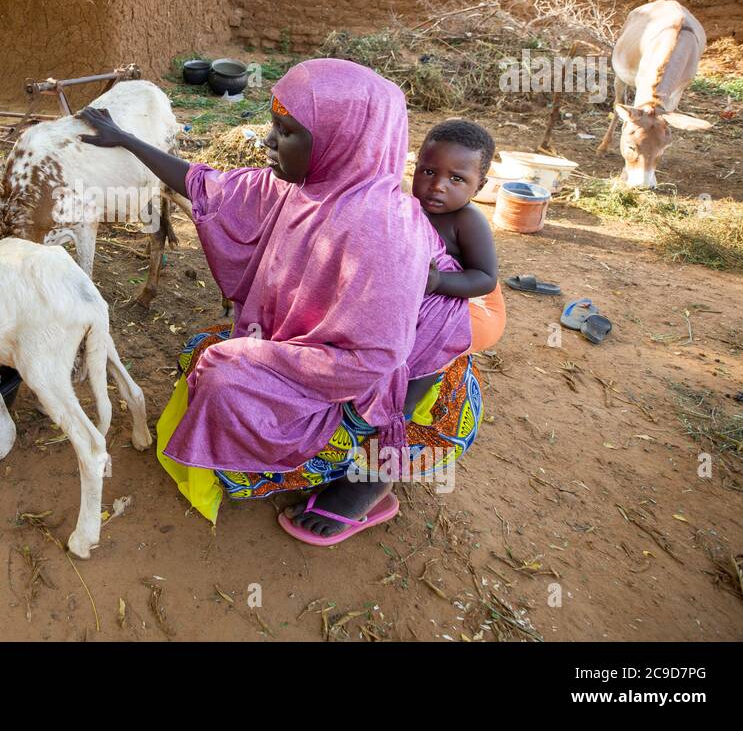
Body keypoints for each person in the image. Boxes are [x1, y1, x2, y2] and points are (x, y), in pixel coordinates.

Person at [79, 59, 480, 544]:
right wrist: (127, 139)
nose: (269, 141)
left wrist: (252, 357)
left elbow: (373, 358)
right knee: (203, 355)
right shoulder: (311, 186)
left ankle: (365, 483)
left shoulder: (384, 233)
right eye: (274, 125)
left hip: (383, 383)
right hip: (325, 356)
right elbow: (209, 187)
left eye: (286, 131)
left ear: (343, 138)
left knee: (223, 376)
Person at [411, 119, 506, 355]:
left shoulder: (467, 220)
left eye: (456, 179)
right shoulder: (409, 208)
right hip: (435, 298)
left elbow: (485, 278)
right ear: (415, 167)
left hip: (476, 307)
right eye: (429, 172)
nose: (438, 186)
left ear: (479, 187)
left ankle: (414, 390)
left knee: (431, 337)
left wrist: (439, 281)